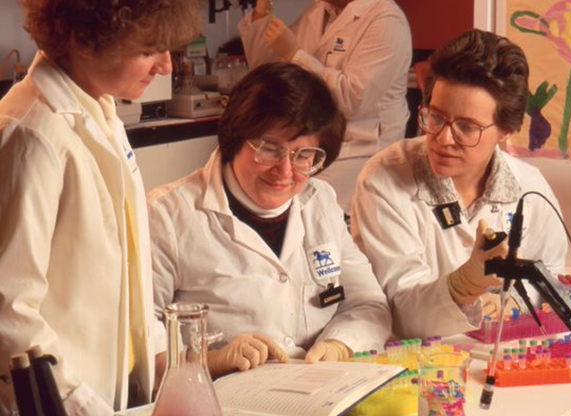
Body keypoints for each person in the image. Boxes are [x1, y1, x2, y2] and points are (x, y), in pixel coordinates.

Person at [0, 1, 204, 414]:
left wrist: (163, 355)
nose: (166, 65)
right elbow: (9, 308)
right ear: (83, 41)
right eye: (149, 49)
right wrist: (78, 404)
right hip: (61, 400)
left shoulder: (100, 112)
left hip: (113, 389)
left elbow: (125, 264)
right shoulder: (32, 135)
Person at [148, 62, 392, 379]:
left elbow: (367, 304)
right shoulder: (167, 215)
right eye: (269, 149)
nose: (285, 172)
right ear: (236, 137)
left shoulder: (320, 201)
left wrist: (340, 345)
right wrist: (209, 360)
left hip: (316, 392)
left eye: (304, 155)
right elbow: (134, 339)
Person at [350, 29, 568, 340]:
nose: (443, 138)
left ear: (507, 129)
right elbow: (401, 312)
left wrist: (513, 303)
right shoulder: (383, 179)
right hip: (418, 363)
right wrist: (461, 288)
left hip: (504, 354)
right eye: (435, 117)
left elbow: (550, 280)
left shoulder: (529, 188)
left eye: (467, 127)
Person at [237, 0, 412, 212]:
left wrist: (295, 54)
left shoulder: (386, 20)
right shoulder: (319, 10)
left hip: (361, 150)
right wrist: (261, 9)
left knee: (310, 211)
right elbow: (265, 69)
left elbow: (351, 100)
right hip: (314, 146)